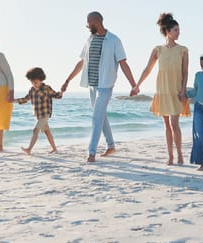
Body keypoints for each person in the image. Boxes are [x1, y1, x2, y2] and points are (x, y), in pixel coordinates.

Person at [61, 11, 137, 163]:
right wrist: (67, 80)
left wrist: (134, 85)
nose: (87, 26)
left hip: (105, 85)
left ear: (96, 22)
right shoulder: (90, 39)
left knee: (96, 118)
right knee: (101, 116)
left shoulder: (114, 40)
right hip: (92, 85)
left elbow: (123, 63)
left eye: (88, 23)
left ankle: (91, 153)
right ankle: (111, 146)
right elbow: (81, 62)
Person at [130, 13, 190, 165]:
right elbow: (148, 69)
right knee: (166, 125)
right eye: (176, 30)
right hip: (162, 90)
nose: (179, 33)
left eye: (179, 30)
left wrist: (183, 90)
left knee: (175, 124)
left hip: (176, 90)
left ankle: (180, 155)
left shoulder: (183, 50)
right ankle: (170, 157)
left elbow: (185, 72)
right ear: (168, 32)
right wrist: (137, 85)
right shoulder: (158, 50)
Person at [16, 67, 62, 155]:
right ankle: (55, 149)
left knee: (35, 130)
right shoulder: (32, 90)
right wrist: (14, 100)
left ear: (41, 79)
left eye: (36, 82)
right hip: (38, 115)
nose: (34, 84)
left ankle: (29, 149)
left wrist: (60, 93)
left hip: (45, 113)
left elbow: (56, 95)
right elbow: (26, 99)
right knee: (47, 132)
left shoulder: (46, 88)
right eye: (32, 82)